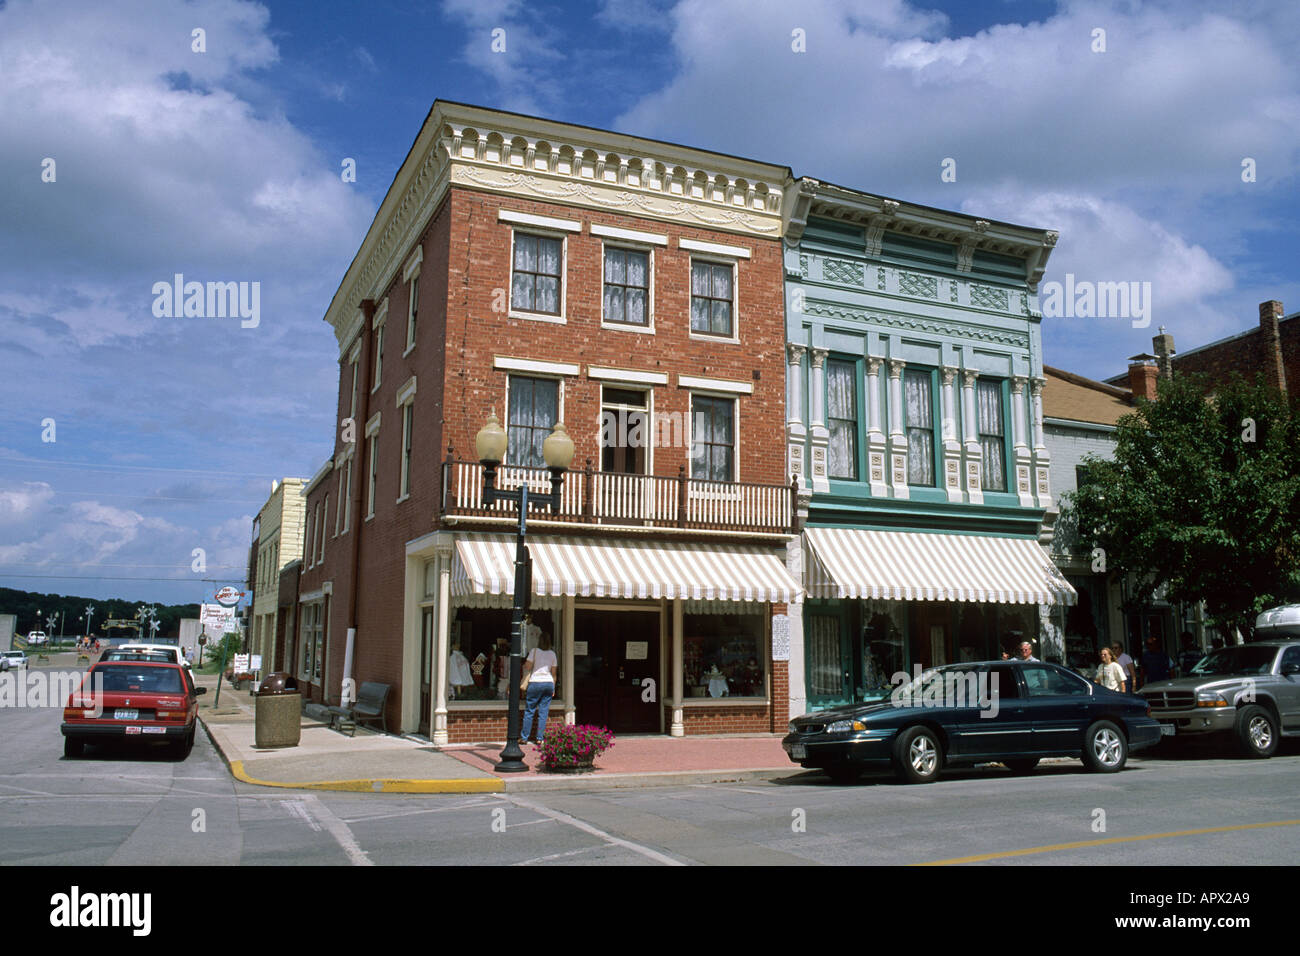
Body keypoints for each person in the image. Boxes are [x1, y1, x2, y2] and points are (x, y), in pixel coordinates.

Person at [519, 632, 558, 745]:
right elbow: (554, 673)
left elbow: (527, 666)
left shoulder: (534, 651)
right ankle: (540, 738)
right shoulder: (552, 654)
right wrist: (553, 688)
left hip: (535, 682)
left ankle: (524, 738)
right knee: (543, 712)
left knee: (529, 711)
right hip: (548, 683)